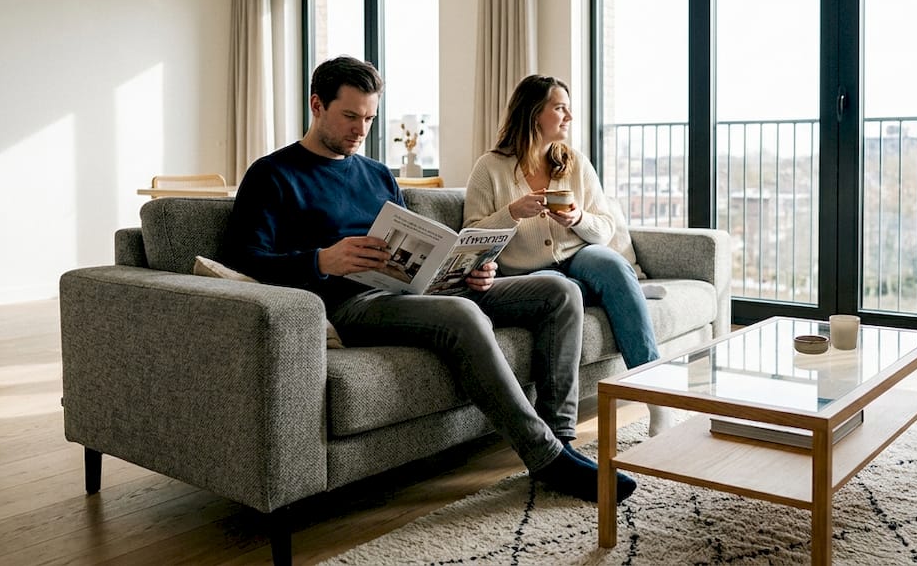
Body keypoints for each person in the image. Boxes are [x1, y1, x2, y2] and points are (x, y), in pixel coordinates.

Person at [220, 56, 635, 504]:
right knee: (459, 314)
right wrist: (321, 260)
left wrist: (471, 267)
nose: (361, 130)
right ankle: (545, 458)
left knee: (560, 291)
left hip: (417, 289)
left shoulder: (378, 174)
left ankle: (561, 436)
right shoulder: (272, 174)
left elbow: (422, 245)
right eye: (350, 117)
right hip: (350, 302)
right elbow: (244, 258)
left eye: (370, 118)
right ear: (317, 105)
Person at [464, 73, 677, 436]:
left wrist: (578, 218)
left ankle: (655, 397)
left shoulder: (574, 162)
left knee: (611, 264)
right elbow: (472, 237)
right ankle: (625, 292)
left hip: (579, 257)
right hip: (528, 274)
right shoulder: (490, 167)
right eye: (560, 108)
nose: (569, 117)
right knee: (565, 289)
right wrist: (513, 213)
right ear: (534, 114)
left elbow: (605, 228)